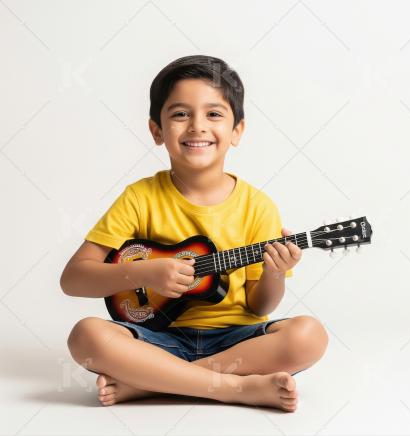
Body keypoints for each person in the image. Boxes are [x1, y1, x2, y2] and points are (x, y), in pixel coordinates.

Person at [60, 55, 328, 412]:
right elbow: (73, 279)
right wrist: (144, 272)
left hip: (238, 342)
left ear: (237, 131)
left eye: (214, 114)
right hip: (156, 340)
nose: (197, 126)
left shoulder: (258, 206)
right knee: (86, 335)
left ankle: (151, 384)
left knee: (309, 336)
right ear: (157, 130)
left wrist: (274, 271)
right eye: (180, 114)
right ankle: (232, 388)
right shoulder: (140, 198)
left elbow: (260, 305)